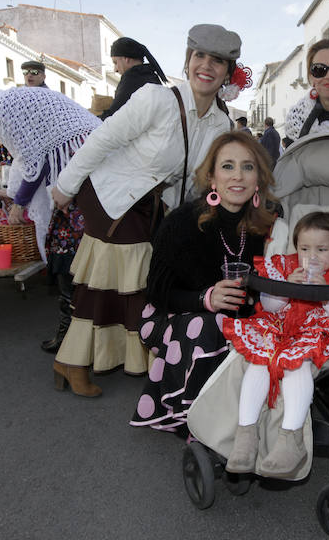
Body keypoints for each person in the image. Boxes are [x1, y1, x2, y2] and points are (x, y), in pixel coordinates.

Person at [50, 23, 241, 398]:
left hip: (150, 206)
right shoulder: (156, 98)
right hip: (111, 195)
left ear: (227, 71)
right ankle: (72, 361)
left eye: (217, 60)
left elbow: (199, 177)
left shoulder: (221, 120)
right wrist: (65, 186)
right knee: (109, 280)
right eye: (199, 56)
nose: (207, 66)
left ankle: (116, 358)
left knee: (132, 282)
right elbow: (102, 139)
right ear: (188, 61)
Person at [0, 77, 102, 354]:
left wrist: (19, 203)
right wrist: (15, 195)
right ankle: (78, 336)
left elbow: (34, 162)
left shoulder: (0, 108)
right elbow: (30, 159)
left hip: (83, 170)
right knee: (77, 256)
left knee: (69, 254)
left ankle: (74, 340)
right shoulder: (8, 101)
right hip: (84, 166)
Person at [130, 131, 276, 434]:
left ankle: (248, 418)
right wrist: (205, 299)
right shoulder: (182, 222)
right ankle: (198, 420)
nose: (238, 176)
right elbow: (158, 291)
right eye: (227, 166)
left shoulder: (266, 226)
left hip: (238, 316)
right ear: (211, 178)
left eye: (248, 167)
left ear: (259, 178)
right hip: (173, 313)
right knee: (208, 325)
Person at [222, 211, 329, 478]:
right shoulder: (286, 268)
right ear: (296, 248)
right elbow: (269, 306)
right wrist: (286, 286)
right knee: (260, 362)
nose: (312, 257)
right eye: (304, 248)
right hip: (280, 330)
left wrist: (326, 291)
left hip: (316, 333)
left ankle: (290, 439)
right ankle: (246, 435)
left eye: (322, 249)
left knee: (296, 364)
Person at [100, 37, 167, 119]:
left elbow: (114, 116)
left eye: (115, 62)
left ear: (126, 59)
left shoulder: (132, 78)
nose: (115, 69)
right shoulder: (151, 77)